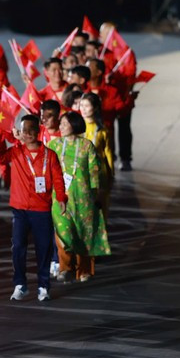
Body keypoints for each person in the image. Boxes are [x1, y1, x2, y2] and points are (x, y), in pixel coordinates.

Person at [0, 115, 66, 302]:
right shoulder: (16, 152)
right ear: (20, 133)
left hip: (42, 209)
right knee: (18, 247)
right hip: (20, 209)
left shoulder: (50, 155)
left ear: (38, 131)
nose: (28, 133)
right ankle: (20, 285)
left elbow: (58, 179)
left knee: (43, 248)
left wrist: (61, 198)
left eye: (32, 129)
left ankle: (43, 286)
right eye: (24, 130)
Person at [47, 112, 111, 283]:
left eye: (64, 124)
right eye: (60, 124)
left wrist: (97, 193)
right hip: (59, 198)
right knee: (63, 232)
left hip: (83, 198)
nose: (60, 127)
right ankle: (65, 267)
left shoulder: (86, 146)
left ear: (74, 125)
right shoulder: (53, 145)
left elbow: (94, 171)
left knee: (84, 234)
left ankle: (84, 270)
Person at [80, 92, 113, 219]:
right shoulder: (76, 128)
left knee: (99, 208)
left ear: (96, 108)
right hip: (81, 173)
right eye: (81, 105)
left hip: (98, 173)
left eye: (87, 106)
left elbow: (108, 153)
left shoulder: (102, 130)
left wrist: (111, 176)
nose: (82, 108)